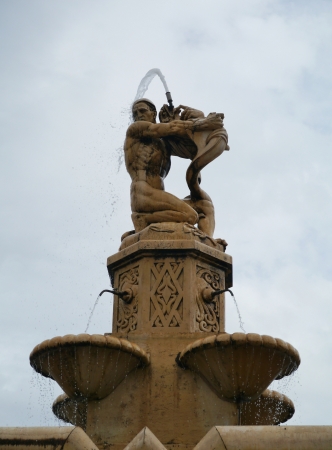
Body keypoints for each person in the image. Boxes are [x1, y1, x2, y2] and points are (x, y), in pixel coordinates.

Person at [124, 98, 226, 236]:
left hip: (159, 198)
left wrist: (198, 116)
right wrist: (203, 123)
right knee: (190, 216)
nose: (138, 115)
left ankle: (206, 242)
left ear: (153, 114)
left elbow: (192, 147)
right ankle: (143, 218)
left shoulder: (164, 143)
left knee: (204, 205)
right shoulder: (135, 130)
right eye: (135, 113)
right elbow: (171, 128)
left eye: (142, 111)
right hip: (142, 193)